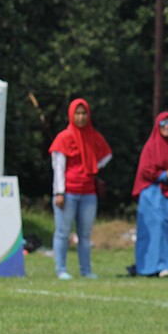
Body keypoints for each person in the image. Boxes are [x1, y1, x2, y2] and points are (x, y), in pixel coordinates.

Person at [49, 98, 112, 280]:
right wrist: (59, 192)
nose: (81, 117)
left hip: (88, 192)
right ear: (71, 115)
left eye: (84, 113)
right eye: (77, 113)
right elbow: (58, 167)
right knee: (63, 232)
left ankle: (86, 270)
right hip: (68, 191)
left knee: (84, 234)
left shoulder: (93, 136)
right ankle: (61, 269)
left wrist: (93, 166)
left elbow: (106, 155)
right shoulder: (64, 137)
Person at [129, 112, 168, 277]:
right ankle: (150, 266)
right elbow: (146, 169)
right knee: (154, 231)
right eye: (163, 123)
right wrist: (165, 175)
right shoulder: (151, 146)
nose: (167, 127)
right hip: (153, 195)